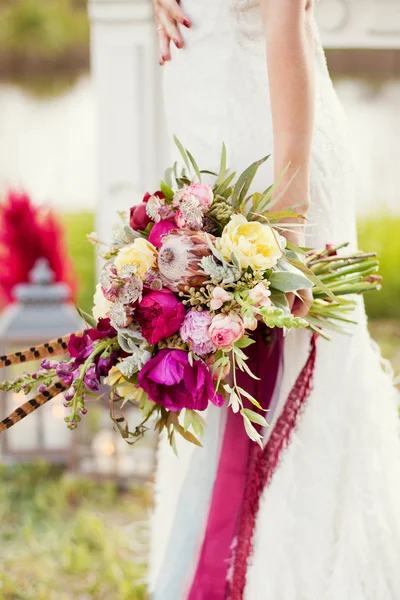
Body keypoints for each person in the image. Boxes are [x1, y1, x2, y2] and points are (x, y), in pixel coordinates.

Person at [148, 1, 400, 598]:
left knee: (287, 377)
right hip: (214, 149)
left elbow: (284, 20)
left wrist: (288, 225)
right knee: (214, 376)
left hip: (271, 162)